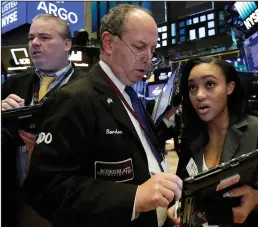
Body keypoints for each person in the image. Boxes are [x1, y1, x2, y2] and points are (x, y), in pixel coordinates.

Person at [23, 5, 182, 227]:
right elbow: (45, 189)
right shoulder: (73, 99)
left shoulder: (130, 95)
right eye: (139, 46)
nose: (147, 58)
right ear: (108, 43)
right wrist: (133, 198)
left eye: (152, 49)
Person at [167, 57, 258, 227]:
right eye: (192, 87)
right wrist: (175, 208)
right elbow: (183, 190)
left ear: (230, 87)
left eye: (210, 84)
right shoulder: (190, 138)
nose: (199, 95)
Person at [1, 13, 86, 227]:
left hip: (66, 203)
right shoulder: (13, 85)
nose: (35, 44)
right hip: (15, 201)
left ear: (67, 44)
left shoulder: (89, 89)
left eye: (45, 37)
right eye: (31, 38)